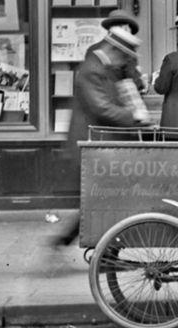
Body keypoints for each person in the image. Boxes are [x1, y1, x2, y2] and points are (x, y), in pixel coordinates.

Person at [54, 26, 150, 246]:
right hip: (89, 143)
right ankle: (103, 251)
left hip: (98, 143)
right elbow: (101, 108)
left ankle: (78, 241)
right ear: (113, 51)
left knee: (101, 198)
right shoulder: (92, 69)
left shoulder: (103, 66)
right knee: (102, 198)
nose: (123, 63)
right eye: (123, 57)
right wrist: (134, 115)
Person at [87, 9, 145, 92]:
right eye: (129, 29)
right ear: (124, 28)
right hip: (117, 99)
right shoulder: (126, 52)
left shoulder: (92, 49)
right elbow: (134, 80)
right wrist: (141, 83)